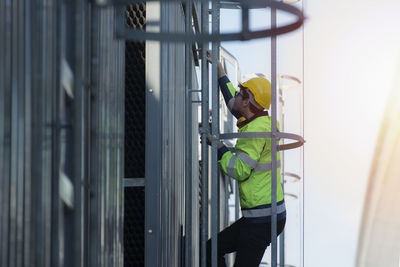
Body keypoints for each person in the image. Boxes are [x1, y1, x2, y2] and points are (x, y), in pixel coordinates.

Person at [205, 50, 286, 267]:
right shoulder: (258, 120)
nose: (238, 95)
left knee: (212, 252)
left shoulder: (255, 132)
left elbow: (239, 170)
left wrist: (220, 147)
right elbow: (233, 102)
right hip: (264, 215)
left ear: (248, 102)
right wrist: (221, 72)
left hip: (261, 220)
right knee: (210, 251)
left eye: (242, 93)